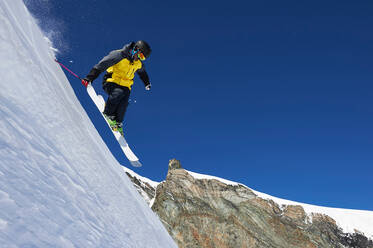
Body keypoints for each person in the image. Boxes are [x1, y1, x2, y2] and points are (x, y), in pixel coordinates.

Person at [83, 40, 152, 136]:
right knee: (118, 93)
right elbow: (103, 64)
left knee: (124, 103)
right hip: (111, 81)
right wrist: (90, 77)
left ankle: (118, 122)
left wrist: (147, 83)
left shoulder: (138, 64)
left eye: (142, 58)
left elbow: (142, 73)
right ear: (136, 49)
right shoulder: (119, 55)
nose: (139, 59)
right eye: (140, 56)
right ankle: (108, 113)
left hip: (126, 86)